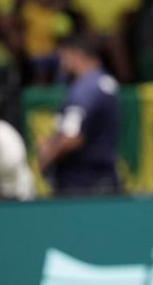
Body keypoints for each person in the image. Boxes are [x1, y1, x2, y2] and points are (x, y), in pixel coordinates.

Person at [37, 35, 120, 196]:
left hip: (82, 184)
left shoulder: (85, 89)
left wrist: (46, 157)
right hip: (102, 178)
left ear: (76, 54)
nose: (61, 63)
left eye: (63, 56)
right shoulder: (106, 82)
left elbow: (72, 137)